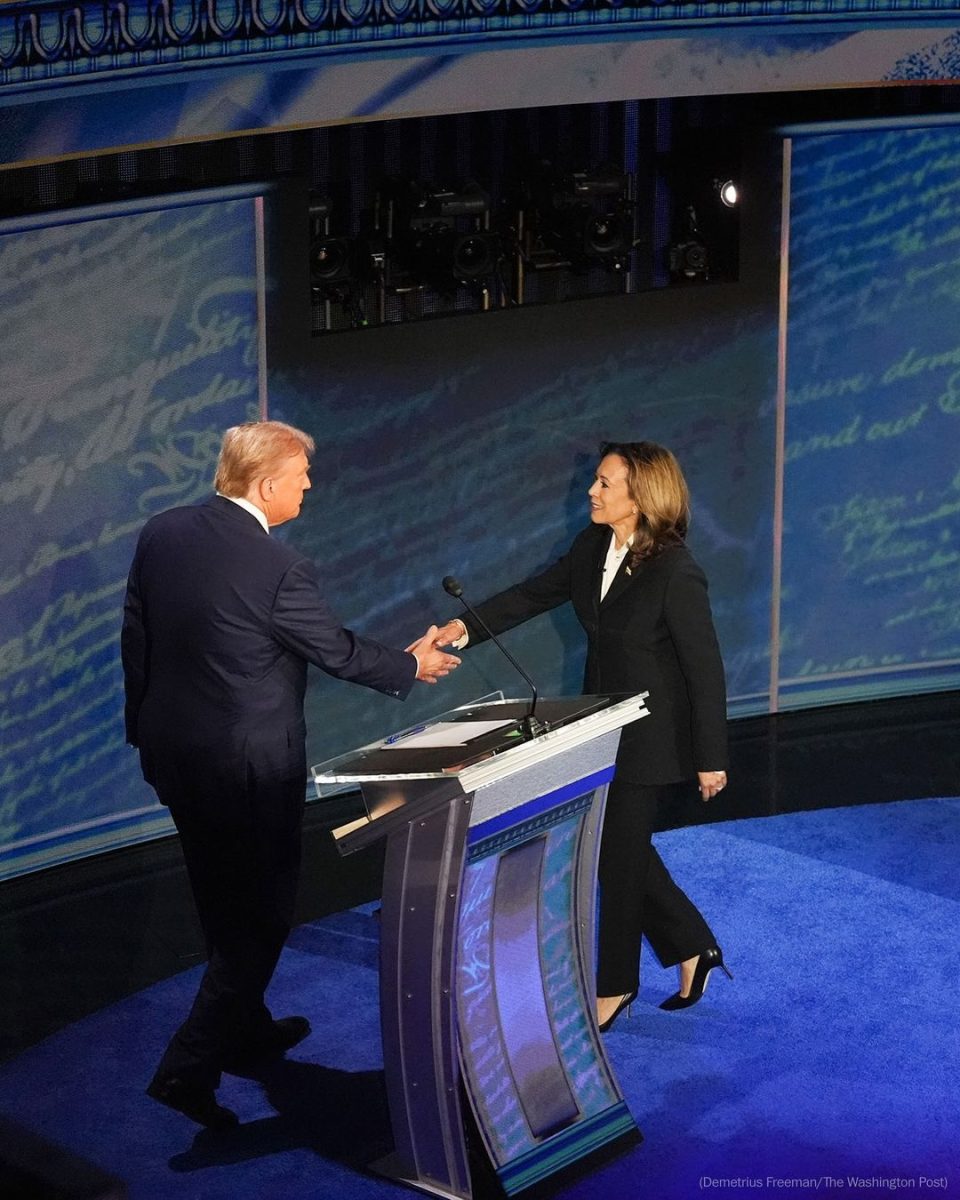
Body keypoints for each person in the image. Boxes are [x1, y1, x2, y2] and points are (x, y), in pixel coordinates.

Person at [121, 419, 459, 1129]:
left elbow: (137, 638)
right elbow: (333, 650)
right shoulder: (278, 567)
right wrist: (411, 664)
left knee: (221, 898)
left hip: (175, 756)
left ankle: (246, 1031)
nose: (308, 486)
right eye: (302, 476)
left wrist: (145, 736)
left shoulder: (165, 532)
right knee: (263, 920)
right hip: (247, 768)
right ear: (269, 484)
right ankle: (188, 1069)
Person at [434, 441, 731, 1032]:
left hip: (653, 736)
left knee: (616, 859)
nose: (591, 492)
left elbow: (705, 669)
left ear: (640, 496)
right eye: (595, 481)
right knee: (621, 850)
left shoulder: (676, 571)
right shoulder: (592, 545)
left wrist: (710, 758)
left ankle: (615, 987)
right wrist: (463, 627)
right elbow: (532, 593)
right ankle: (694, 945)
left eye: (603, 483)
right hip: (601, 725)